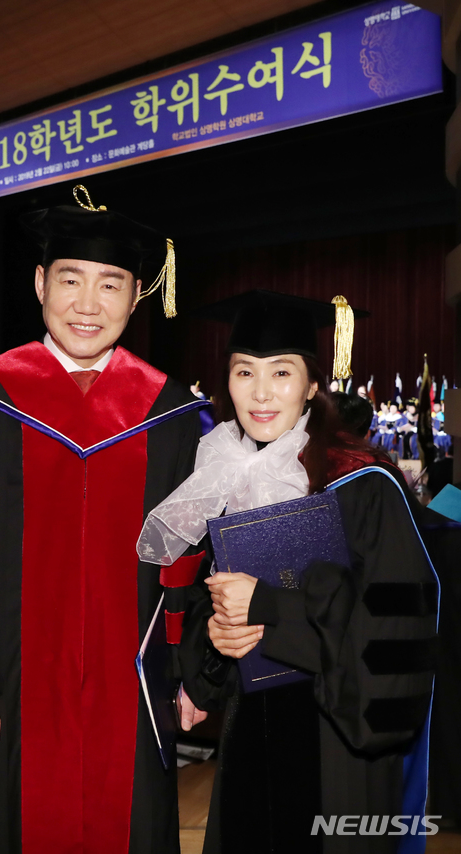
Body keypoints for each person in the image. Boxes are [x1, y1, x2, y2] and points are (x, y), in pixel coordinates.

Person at [0, 185, 205, 854]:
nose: (88, 304)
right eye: (70, 280)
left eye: (110, 284)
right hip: (2, 694)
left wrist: (193, 672)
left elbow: (186, 565)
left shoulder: (171, 417)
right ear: (39, 284)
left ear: (135, 297)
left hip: (132, 699)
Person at [138, 290, 438, 854]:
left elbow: (395, 634)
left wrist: (272, 609)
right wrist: (217, 637)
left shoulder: (364, 484)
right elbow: (200, 602)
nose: (261, 392)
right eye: (244, 372)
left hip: (335, 743)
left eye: (281, 372)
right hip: (247, 736)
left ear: (312, 385)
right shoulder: (219, 478)